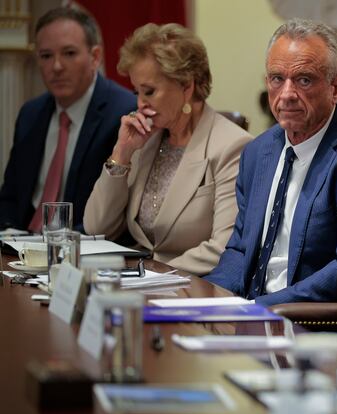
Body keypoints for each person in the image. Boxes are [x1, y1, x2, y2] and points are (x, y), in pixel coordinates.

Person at [205, 19, 337, 305]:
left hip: (310, 325)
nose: (287, 94)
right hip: (252, 318)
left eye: (304, 80)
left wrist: (258, 309)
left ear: (336, 89)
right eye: (277, 78)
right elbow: (240, 251)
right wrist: (206, 300)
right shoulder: (257, 153)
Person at [83, 23, 252, 276]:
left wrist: (150, 274)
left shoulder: (233, 146)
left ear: (186, 85)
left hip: (194, 290)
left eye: (149, 91)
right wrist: (122, 153)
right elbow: (97, 228)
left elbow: (224, 248)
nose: (140, 103)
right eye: (136, 91)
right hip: (138, 283)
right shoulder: (147, 139)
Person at [0, 6, 135, 232]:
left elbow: (121, 217)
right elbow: (10, 198)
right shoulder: (31, 114)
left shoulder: (122, 113)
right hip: (21, 249)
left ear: (95, 57)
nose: (57, 66)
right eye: (46, 56)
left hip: (82, 249)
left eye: (69, 53)